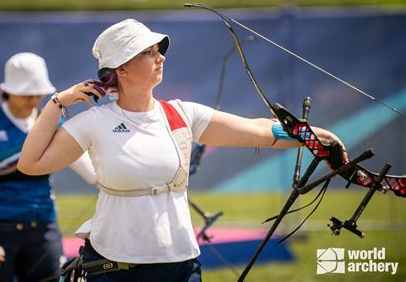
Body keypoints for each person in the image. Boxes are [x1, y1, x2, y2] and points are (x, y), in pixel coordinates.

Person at [17, 19, 348, 282]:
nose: (161, 56)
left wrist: (320, 137)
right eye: (148, 52)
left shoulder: (183, 114)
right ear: (122, 69)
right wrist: (57, 102)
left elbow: (260, 131)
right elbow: (30, 163)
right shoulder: (95, 121)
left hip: (178, 264)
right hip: (112, 265)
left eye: (158, 50)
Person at [0, 52, 97, 282]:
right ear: (7, 90)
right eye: (25, 92)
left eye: (37, 91)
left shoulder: (51, 122)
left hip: (43, 228)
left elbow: (91, 173)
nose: (33, 98)